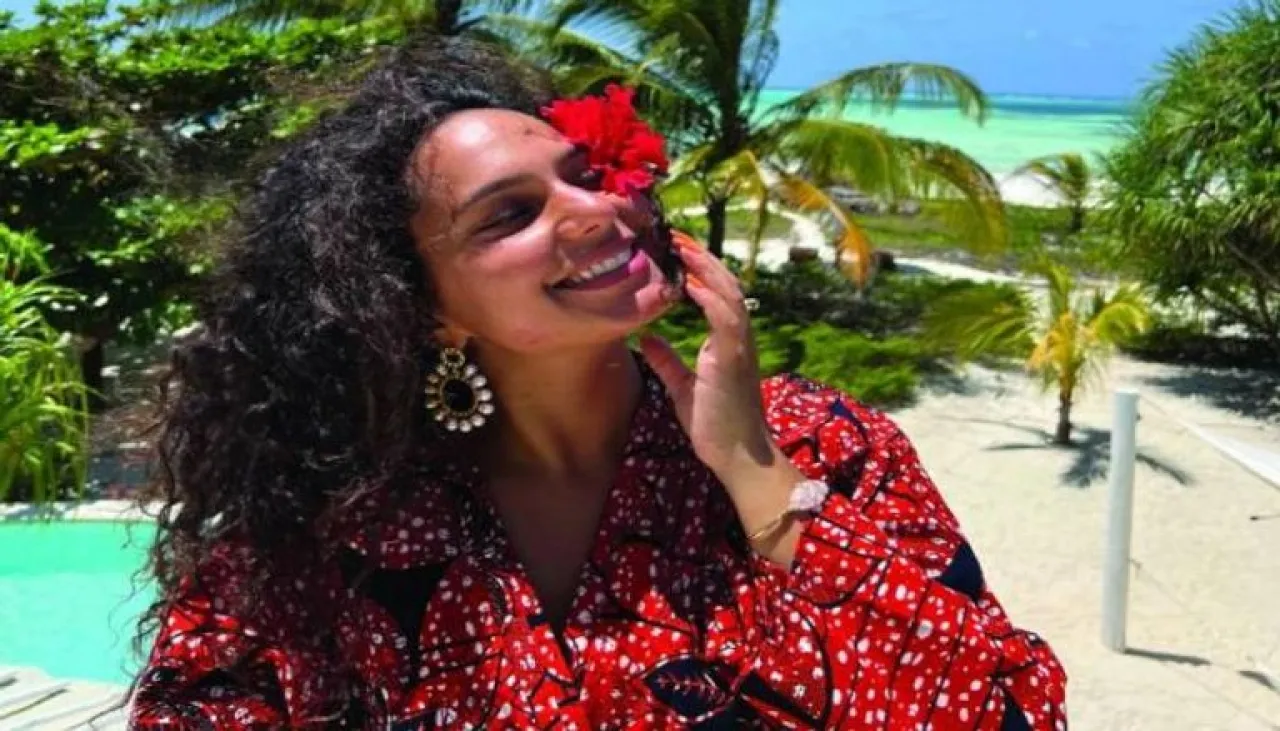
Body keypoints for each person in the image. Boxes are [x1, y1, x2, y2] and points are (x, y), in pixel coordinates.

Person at [129, 37, 1066, 730]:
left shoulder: (825, 444)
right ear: (420, 308)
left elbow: (1003, 713)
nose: (595, 208)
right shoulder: (338, 529)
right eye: (510, 214)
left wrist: (755, 472)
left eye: (588, 172)